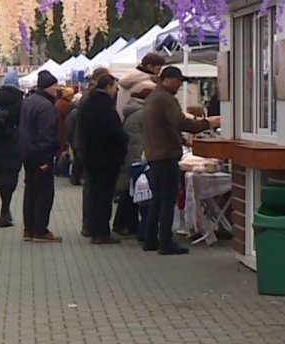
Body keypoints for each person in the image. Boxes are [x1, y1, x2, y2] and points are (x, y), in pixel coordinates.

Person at [142, 67, 219, 255]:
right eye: (178, 81)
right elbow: (180, 122)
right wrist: (208, 123)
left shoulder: (153, 97)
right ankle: (165, 242)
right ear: (167, 79)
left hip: (154, 153)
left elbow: (164, 125)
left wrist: (181, 139)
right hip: (165, 154)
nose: (179, 85)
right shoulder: (166, 99)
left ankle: (150, 238)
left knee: (157, 198)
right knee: (168, 199)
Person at [77, 74, 128, 244]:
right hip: (106, 157)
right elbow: (113, 132)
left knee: (94, 194)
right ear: (108, 87)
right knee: (104, 196)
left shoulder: (87, 102)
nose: (116, 90)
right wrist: (124, 139)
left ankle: (93, 228)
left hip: (91, 155)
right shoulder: (105, 106)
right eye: (115, 87)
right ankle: (102, 232)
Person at [20, 71, 62, 242]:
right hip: (40, 154)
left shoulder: (28, 102)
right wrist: (46, 158)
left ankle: (29, 228)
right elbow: (46, 134)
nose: (57, 89)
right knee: (44, 194)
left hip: (28, 153)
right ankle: (40, 229)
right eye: (54, 86)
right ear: (47, 87)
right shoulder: (45, 106)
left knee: (30, 191)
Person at [114, 79, 156, 237]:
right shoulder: (144, 113)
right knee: (132, 193)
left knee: (131, 191)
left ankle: (128, 225)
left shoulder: (133, 110)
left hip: (131, 153)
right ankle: (123, 224)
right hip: (138, 154)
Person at [0, 71, 24, 228]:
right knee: (10, 176)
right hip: (13, 144)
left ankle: (4, 209)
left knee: (0, 176)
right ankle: (5, 210)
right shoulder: (21, 102)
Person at [55, 87, 74, 176]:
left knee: (60, 150)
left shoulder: (59, 102)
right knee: (63, 150)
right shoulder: (65, 104)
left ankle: (57, 169)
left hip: (60, 128)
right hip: (63, 129)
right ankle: (60, 170)